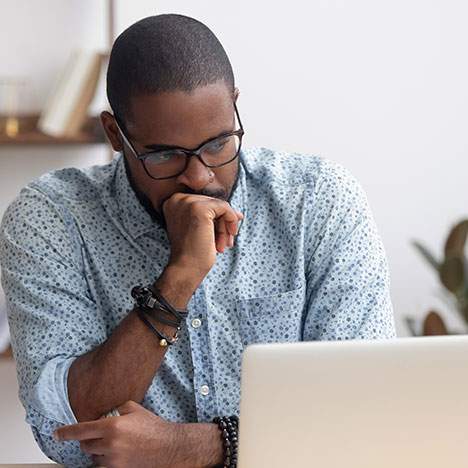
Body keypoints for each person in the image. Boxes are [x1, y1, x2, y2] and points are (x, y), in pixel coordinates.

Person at [0, 14, 395, 468]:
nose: (200, 176)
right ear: (114, 134)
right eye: (165, 154)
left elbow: (363, 411)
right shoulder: (52, 218)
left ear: (234, 107)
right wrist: (179, 278)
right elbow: (66, 432)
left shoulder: (319, 202)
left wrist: (183, 447)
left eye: (218, 143)